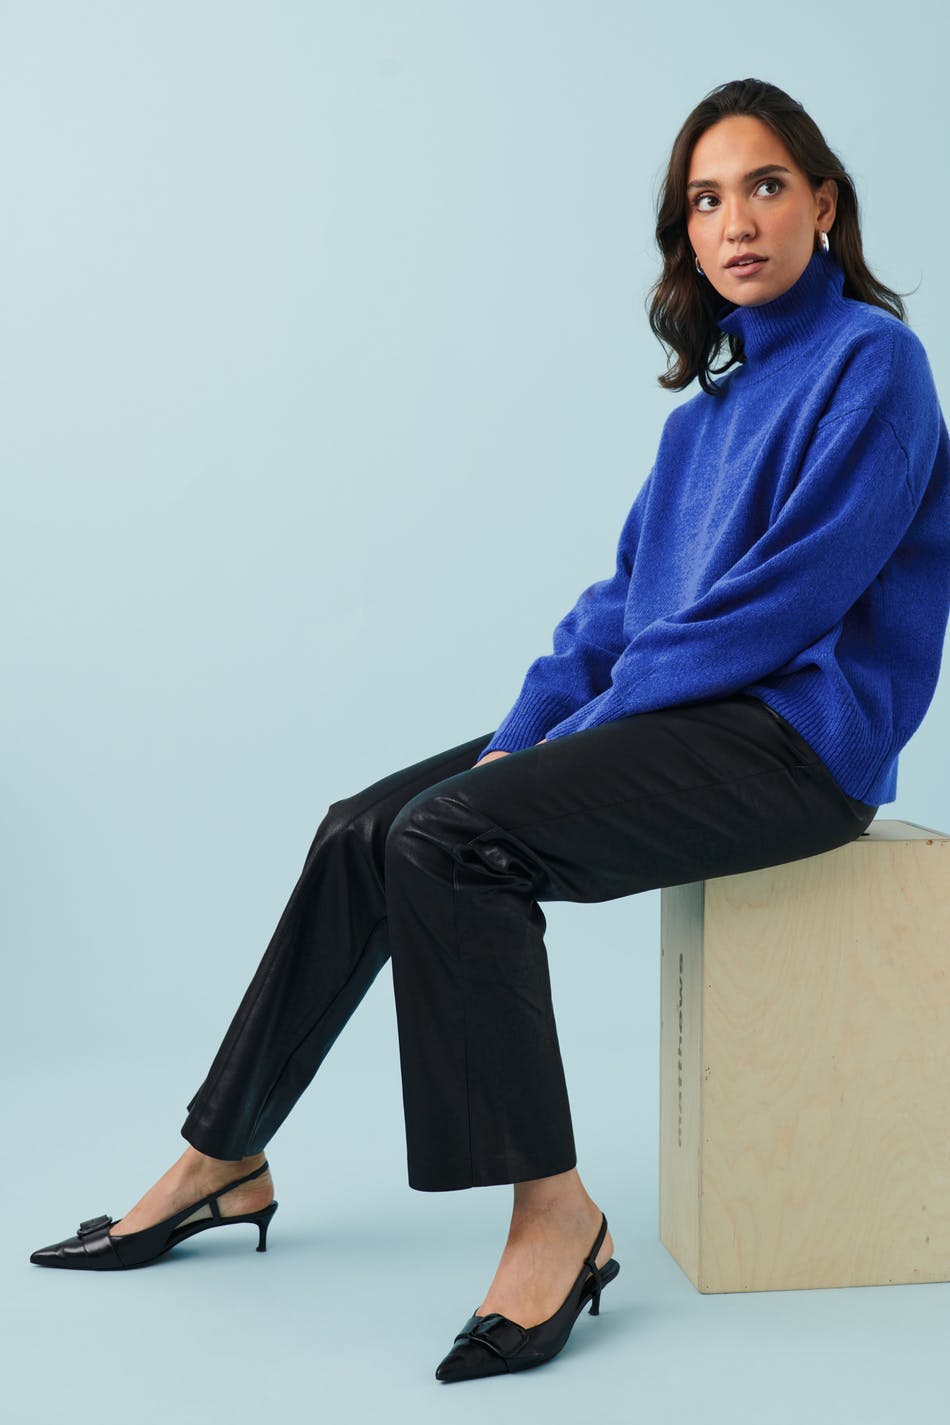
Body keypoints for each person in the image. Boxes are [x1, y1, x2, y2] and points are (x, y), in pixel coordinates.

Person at [29, 75, 950, 1383]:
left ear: (824, 204)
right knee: (365, 827)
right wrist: (528, 728)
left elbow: (781, 604)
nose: (736, 222)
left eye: (763, 187)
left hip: (798, 744)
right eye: (704, 200)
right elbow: (619, 608)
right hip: (683, 720)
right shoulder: (703, 419)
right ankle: (220, 1157)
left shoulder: (875, 363)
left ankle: (555, 1216)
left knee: (452, 837)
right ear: (685, 234)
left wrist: (586, 731)